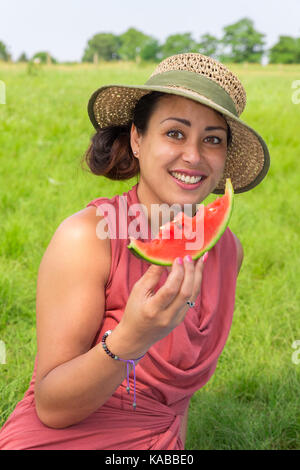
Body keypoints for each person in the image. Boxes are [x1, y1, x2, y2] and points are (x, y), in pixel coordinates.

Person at [0, 53, 270, 450]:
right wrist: (131, 338)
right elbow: (52, 407)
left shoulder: (228, 251)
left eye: (212, 139)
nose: (194, 156)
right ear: (137, 139)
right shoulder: (86, 238)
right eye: (175, 133)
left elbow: (176, 402)